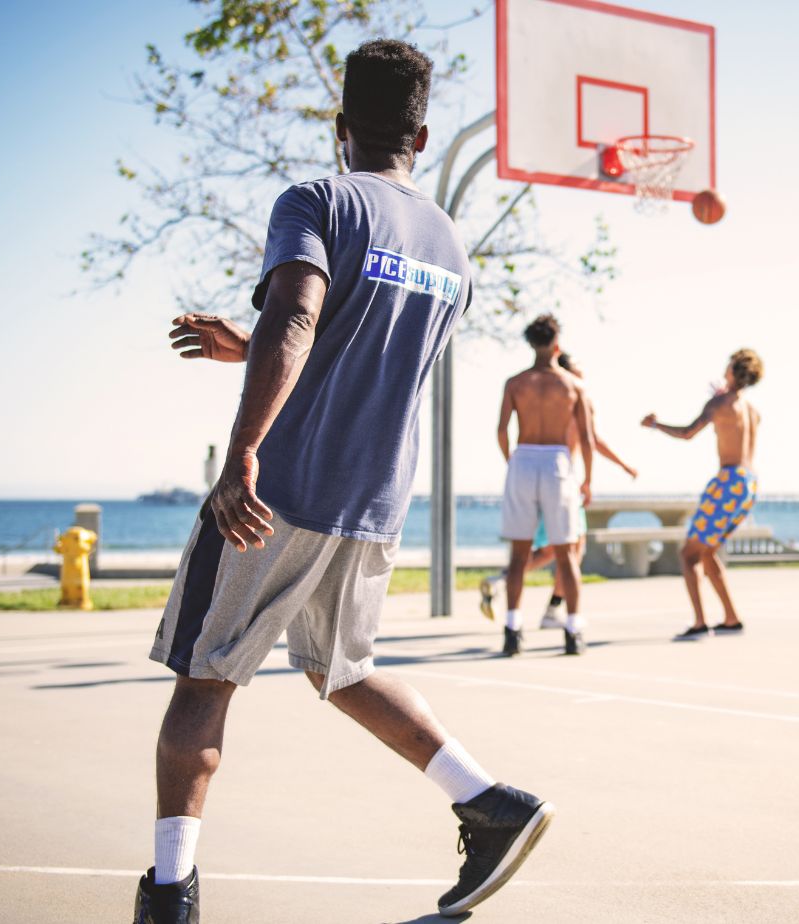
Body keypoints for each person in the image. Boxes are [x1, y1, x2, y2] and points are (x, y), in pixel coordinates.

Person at [141, 40, 553, 923]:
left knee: (204, 680)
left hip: (283, 488)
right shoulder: (451, 245)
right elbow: (365, 348)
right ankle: (490, 804)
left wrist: (244, 446)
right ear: (424, 130)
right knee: (345, 670)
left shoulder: (317, 199)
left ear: (341, 129)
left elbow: (300, 311)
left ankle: (169, 894)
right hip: (372, 501)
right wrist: (248, 348)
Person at [479, 351, 637, 628]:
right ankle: (540, 604)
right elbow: (592, 440)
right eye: (578, 370)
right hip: (561, 483)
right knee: (566, 552)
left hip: (547, 479)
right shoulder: (571, 400)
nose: (583, 376)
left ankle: (536, 602)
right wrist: (619, 467)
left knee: (558, 551)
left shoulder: (553, 397)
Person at [641, 349, 764, 640]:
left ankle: (699, 623)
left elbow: (687, 433)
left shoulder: (720, 402)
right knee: (706, 551)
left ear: (734, 370)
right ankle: (731, 618)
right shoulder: (752, 410)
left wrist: (656, 425)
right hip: (748, 483)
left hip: (728, 480)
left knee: (688, 554)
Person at [494, 315, 594, 656]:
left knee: (520, 554)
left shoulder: (516, 383)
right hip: (556, 461)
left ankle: (512, 628)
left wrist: (513, 461)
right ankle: (573, 630)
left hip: (524, 458)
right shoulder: (572, 385)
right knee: (567, 552)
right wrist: (588, 480)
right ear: (556, 343)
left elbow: (501, 429)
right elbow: (587, 438)